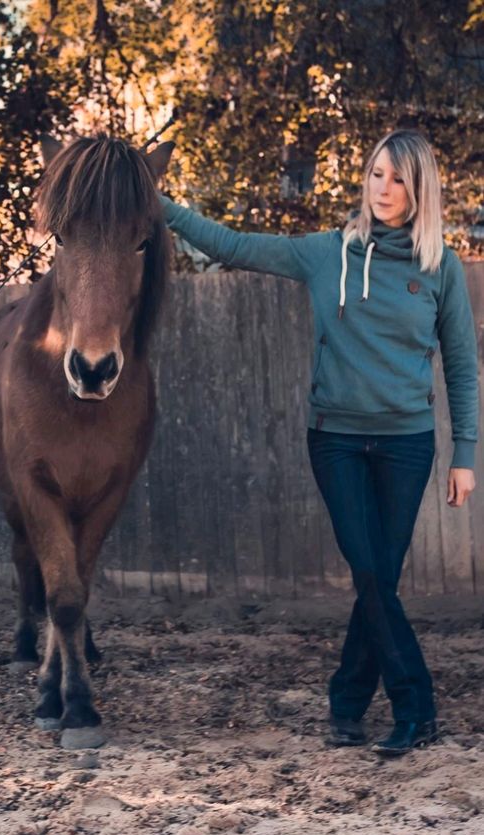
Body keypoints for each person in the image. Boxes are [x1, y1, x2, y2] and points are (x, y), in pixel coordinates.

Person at [159, 129, 478, 756]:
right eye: (376, 174)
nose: (382, 189)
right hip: (334, 439)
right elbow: (234, 245)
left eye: (397, 179)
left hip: (407, 443)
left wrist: (464, 453)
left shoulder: (440, 267)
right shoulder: (326, 253)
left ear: (420, 189)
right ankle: (418, 707)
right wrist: (162, 207)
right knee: (369, 570)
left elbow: (463, 365)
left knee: (378, 579)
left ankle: (348, 702)